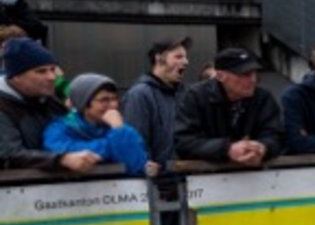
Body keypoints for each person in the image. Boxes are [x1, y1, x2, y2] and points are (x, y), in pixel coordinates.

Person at [0, 39, 100, 172]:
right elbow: (9, 155)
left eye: (53, 69)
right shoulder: (4, 107)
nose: (52, 77)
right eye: (41, 71)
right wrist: (60, 160)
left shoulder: (52, 101)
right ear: (16, 76)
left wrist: (82, 115)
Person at [174, 47, 284, 166]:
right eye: (245, 74)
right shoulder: (195, 97)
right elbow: (183, 142)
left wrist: (262, 148)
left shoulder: (263, 98)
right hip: (206, 177)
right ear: (221, 76)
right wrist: (227, 149)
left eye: (255, 73)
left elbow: (276, 135)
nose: (253, 79)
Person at [44, 74, 154, 176]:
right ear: (84, 104)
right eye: (104, 100)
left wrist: (119, 130)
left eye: (114, 99)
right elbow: (65, 153)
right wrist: (113, 146)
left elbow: (136, 165)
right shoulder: (59, 129)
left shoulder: (120, 128)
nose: (113, 105)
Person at [121, 35, 191, 170]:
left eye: (186, 57)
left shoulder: (185, 94)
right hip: (157, 184)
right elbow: (136, 142)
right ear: (159, 58)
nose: (186, 62)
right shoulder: (139, 95)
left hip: (187, 181)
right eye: (178, 57)